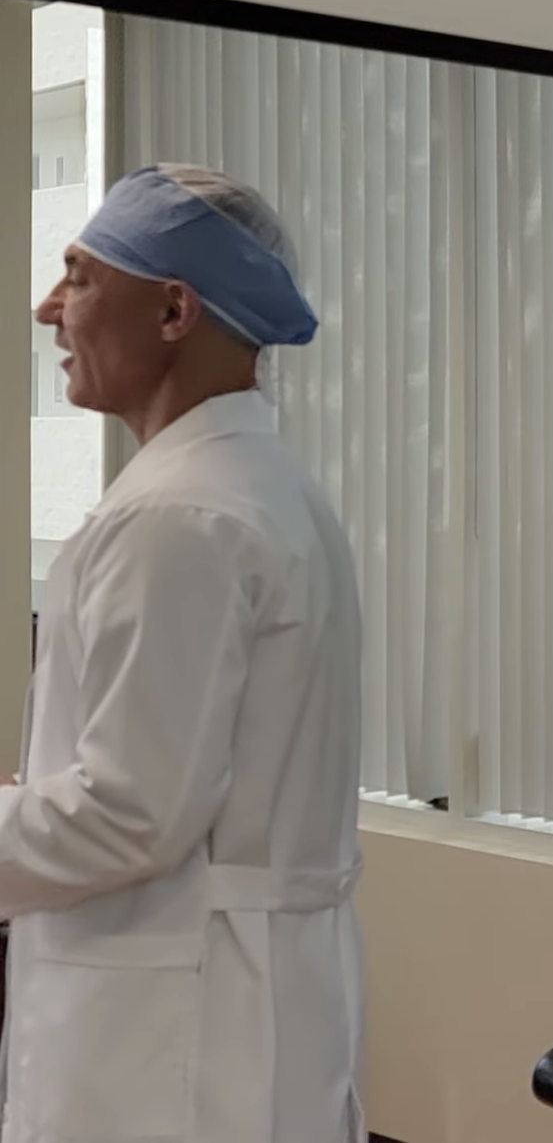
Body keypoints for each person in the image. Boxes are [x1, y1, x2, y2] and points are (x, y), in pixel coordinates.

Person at [0, 164, 366, 1143]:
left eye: (80, 276)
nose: (49, 307)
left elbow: (130, 816)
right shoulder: (259, 486)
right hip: (243, 1001)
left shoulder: (178, 517)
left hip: (174, 1033)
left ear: (173, 311)